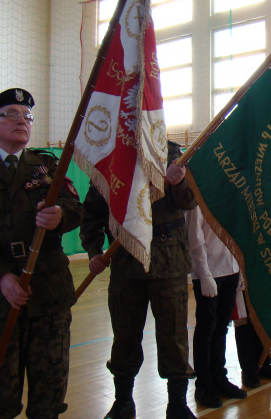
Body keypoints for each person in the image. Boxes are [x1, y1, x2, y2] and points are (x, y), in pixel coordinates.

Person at [0, 88, 83, 418]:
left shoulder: (48, 165)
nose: (22, 120)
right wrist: (2, 277)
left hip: (49, 292)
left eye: (27, 116)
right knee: (2, 394)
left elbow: (76, 207)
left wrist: (61, 216)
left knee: (49, 392)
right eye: (11, 114)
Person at [79, 140, 197, 419]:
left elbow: (191, 201)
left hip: (169, 261)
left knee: (174, 336)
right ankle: (123, 402)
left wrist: (179, 183)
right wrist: (94, 252)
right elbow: (92, 212)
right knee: (124, 335)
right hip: (125, 261)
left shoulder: (174, 155)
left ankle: (177, 405)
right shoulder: (110, 154)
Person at [185, 206, 246, 408]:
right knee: (206, 329)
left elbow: (238, 231)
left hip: (230, 269)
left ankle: (219, 378)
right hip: (209, 270)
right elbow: (194, 236)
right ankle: (204, 386)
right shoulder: (200, 195)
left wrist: (239, 269)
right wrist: (204, 274)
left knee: (221, 328)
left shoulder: (229, 192)